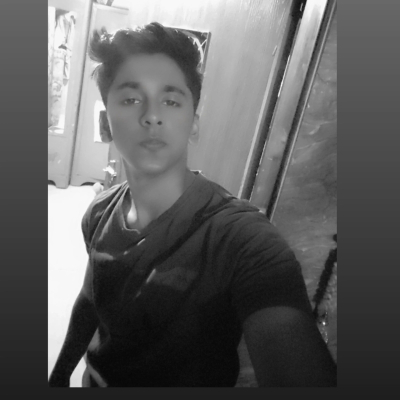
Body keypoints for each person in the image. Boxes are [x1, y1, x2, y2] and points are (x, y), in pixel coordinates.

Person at [49, 22, 337, 387]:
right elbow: (91, 299)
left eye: (170, 101)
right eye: (131, 99)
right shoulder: (99, 212)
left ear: (194, 125)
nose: (152, 115)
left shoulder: (243, 240)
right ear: (106, 125)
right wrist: (58, 376)